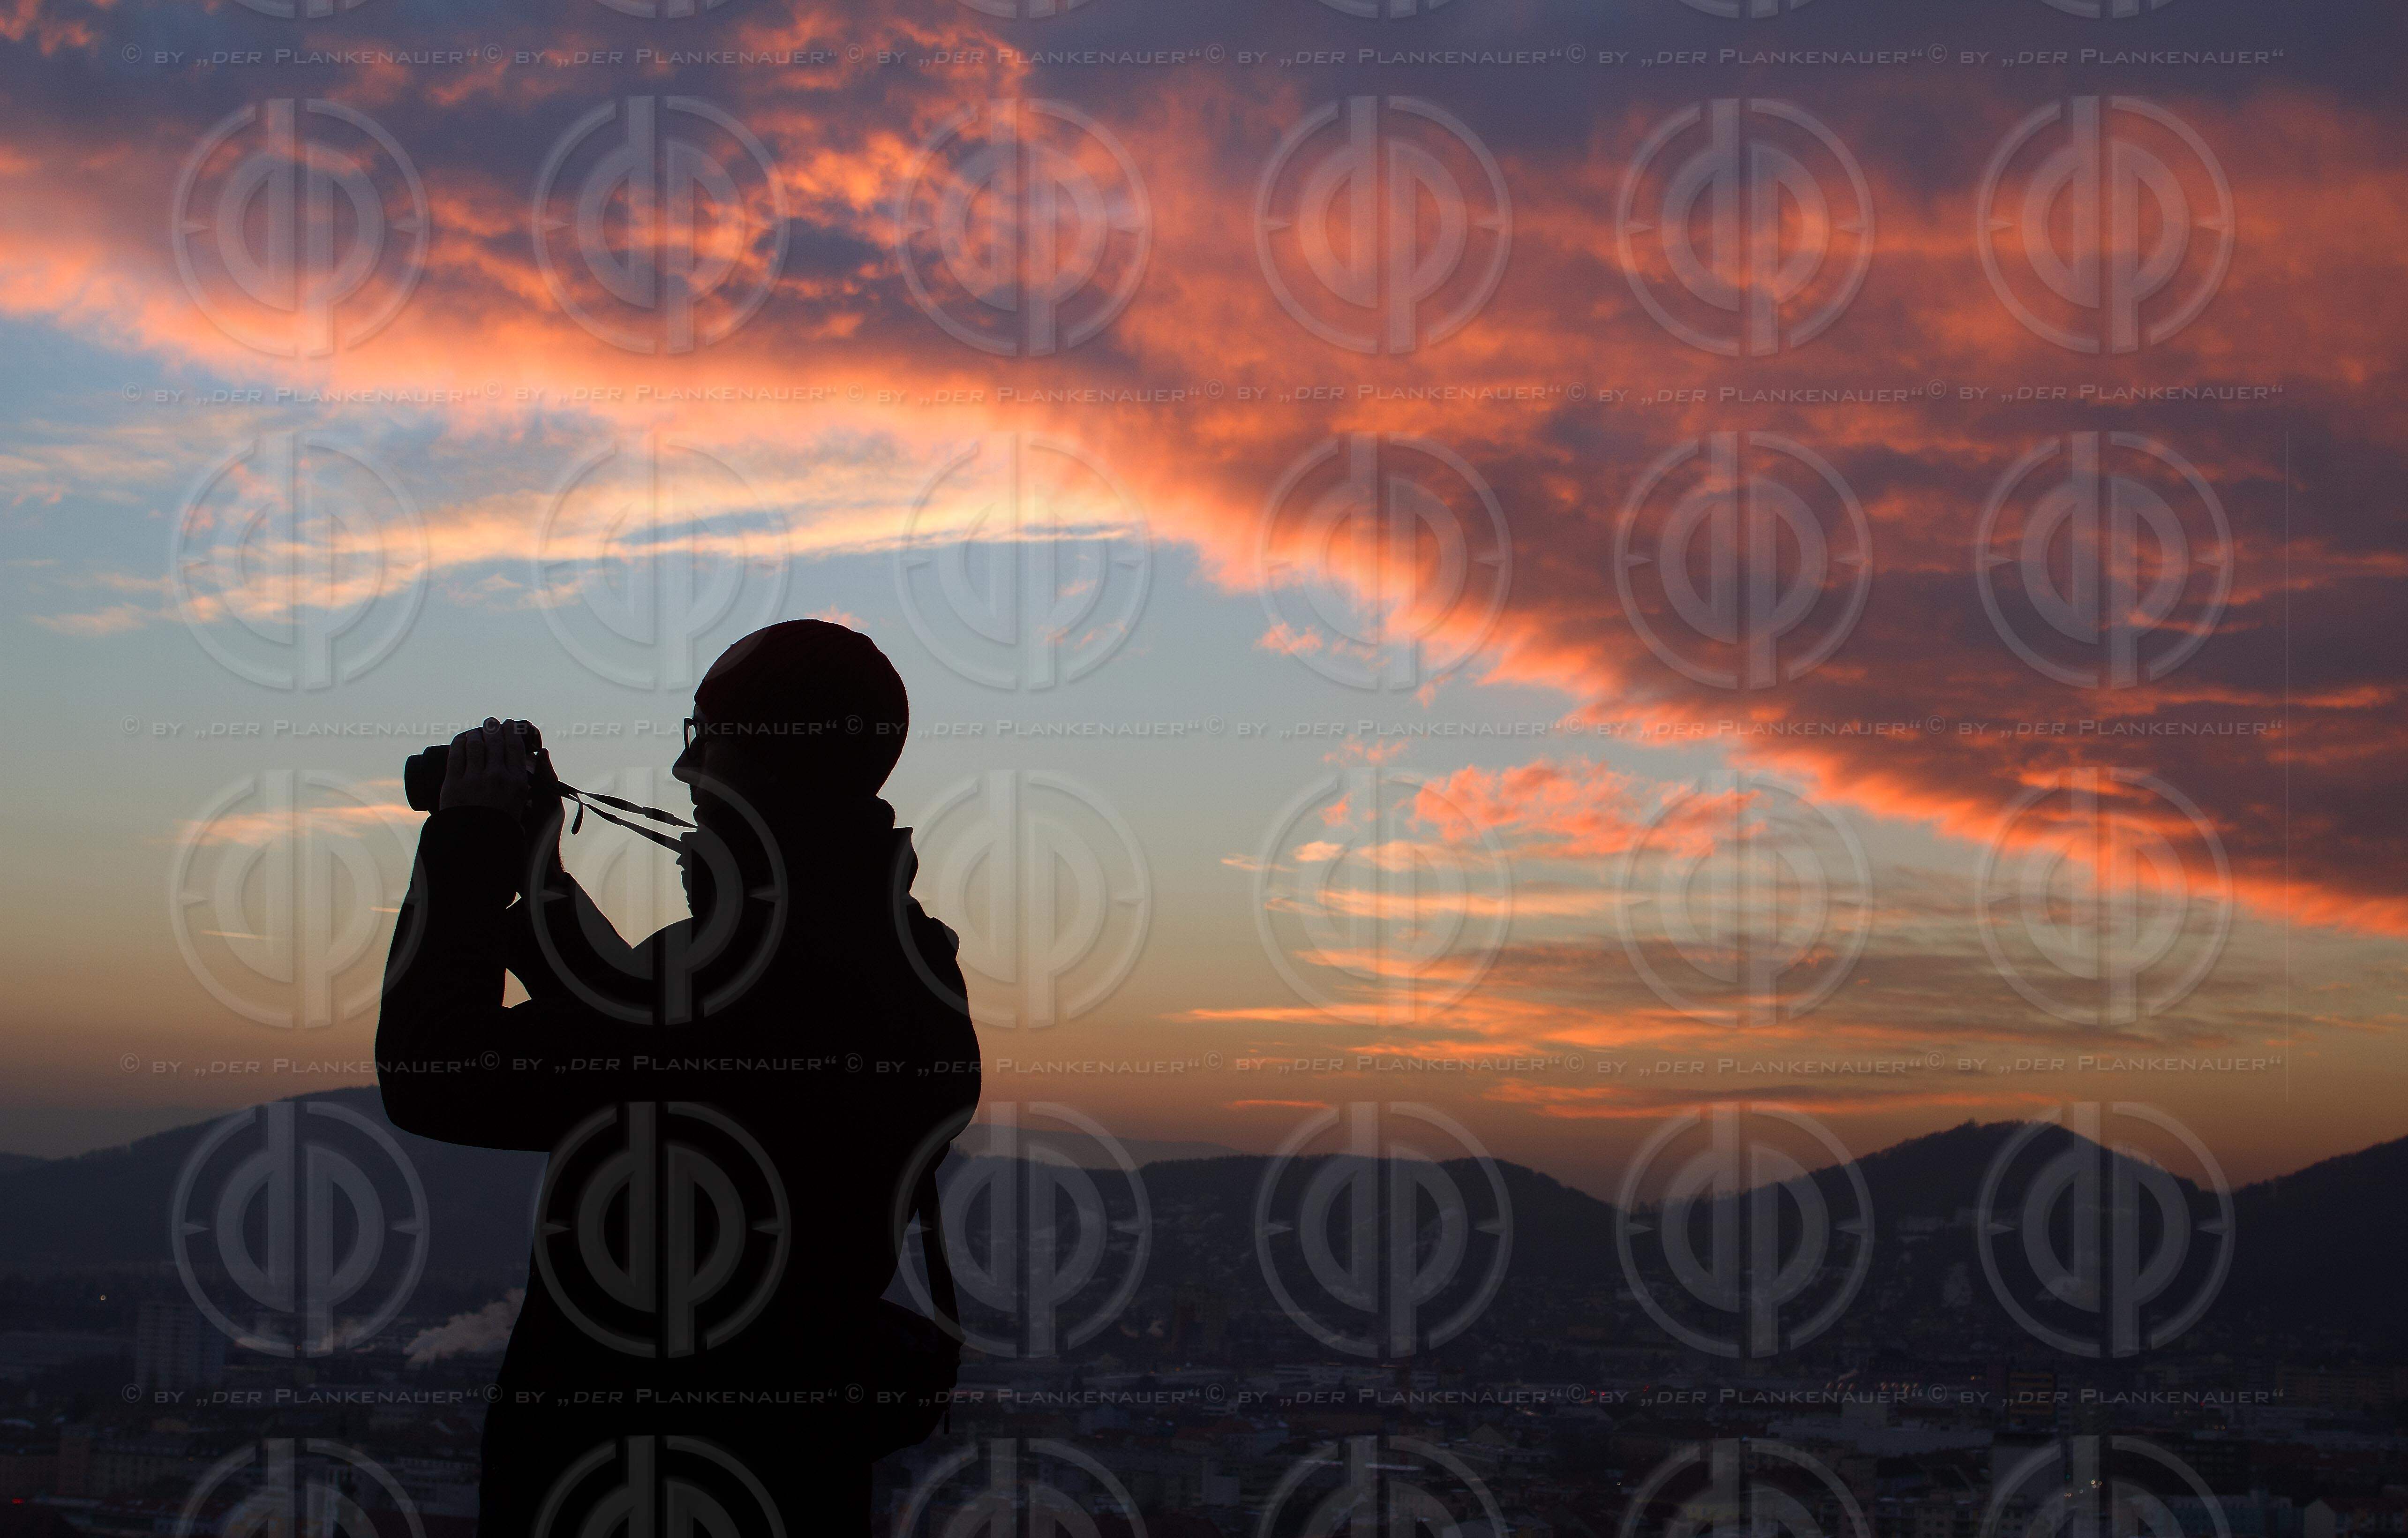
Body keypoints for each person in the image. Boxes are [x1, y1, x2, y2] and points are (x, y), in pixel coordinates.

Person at [376, 621, 980, 1535]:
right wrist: (540, 872)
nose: (680, 773)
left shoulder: (742, 983)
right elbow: (630, 1029)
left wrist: (465, 849)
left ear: (764, 759)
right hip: (792, 1481)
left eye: (702, 737)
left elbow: (433, 1075)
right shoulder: (907, 958)